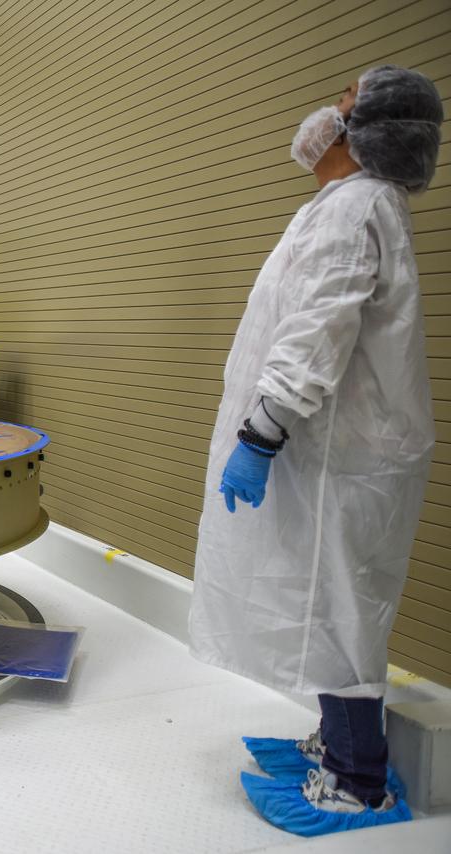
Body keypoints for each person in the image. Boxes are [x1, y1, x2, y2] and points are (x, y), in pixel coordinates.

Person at [189, 65, 442, 837]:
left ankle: (358, 781)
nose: (323, 118)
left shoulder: (355, 208)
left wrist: (262, 433)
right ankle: (337, 741)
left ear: (364, 134)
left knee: (337, 607)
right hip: (333, 449)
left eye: (340, 107)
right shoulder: (345, 206)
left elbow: (315, 333)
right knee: (327, 602)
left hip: (340, 454)